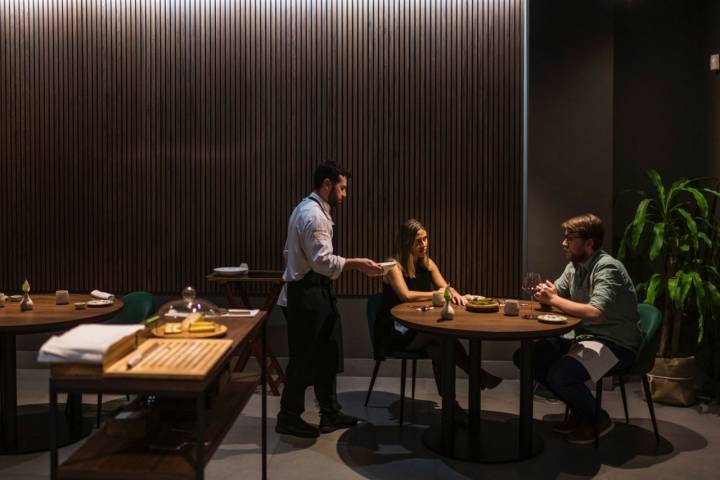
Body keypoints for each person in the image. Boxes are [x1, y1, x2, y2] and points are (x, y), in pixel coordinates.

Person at [276, 161, 383, 439]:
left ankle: (330, 412)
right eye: (343, 188)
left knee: (326, 353)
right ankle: (288, 417)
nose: (345, 194)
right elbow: (322, 261)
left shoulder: (307, 209)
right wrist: (357, 263)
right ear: (327, 184)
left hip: (314, 292)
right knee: (303, 359)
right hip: (307, 295)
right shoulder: (314, 216)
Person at [515, 213, 642, 445]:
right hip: (584, 337)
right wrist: (546, 294)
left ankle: (598, 419)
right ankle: (580, 410)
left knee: (561, 375)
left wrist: (553, 299)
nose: (564, 243)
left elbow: (595, 313)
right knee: (527, 357)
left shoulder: (608, 268)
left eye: (569, 238)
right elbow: (558, 296)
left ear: (589, 242)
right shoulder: (574, 267)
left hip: (614, 343)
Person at [375, 219, 502, 413]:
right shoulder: (393, 265)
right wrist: (441, 294)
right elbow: (406, 296)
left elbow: (446, 288)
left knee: (439, 348)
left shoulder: (427, 263)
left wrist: (458, 296)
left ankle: (451, 407)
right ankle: (476, 375)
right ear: (406, 242)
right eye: (418, 241)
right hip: (395, 331)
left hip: (417, 329)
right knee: (440, 336)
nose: (424, 244)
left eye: (426, 239)